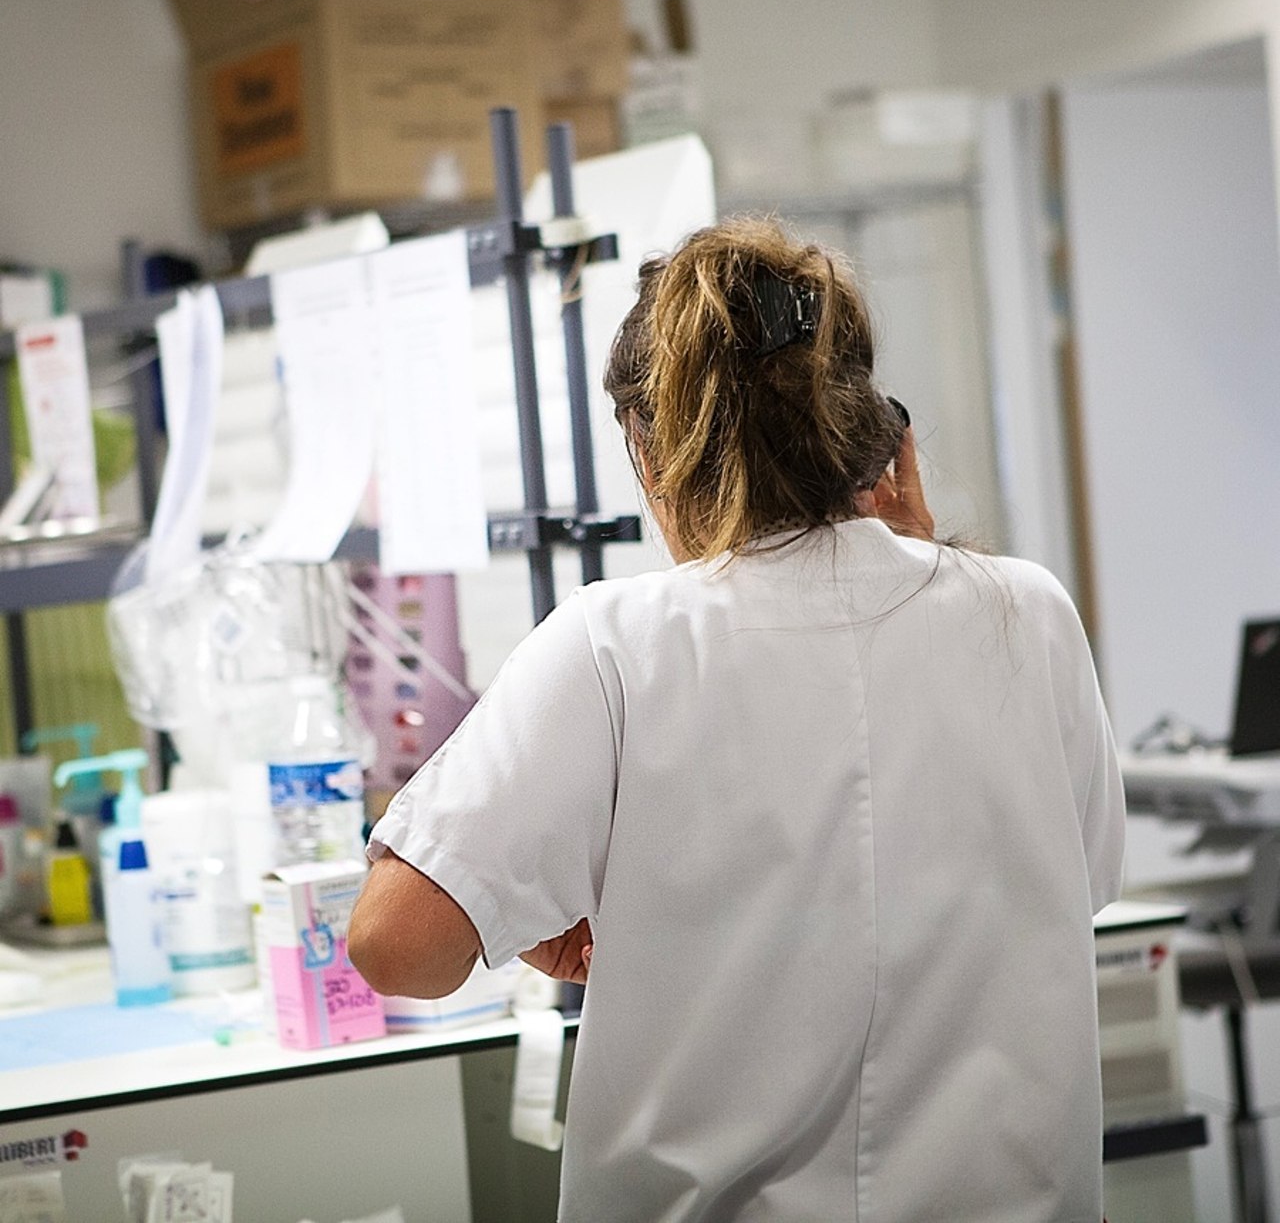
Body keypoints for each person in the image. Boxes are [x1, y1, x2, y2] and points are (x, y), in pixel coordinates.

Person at [348, 218, 1125, 1222]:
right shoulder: (1029, 611)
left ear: (654, 450)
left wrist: (522, 916)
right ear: (869, 429)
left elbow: (395, 945)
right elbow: (1079, 879)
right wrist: (929, 570)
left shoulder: (614, 644)